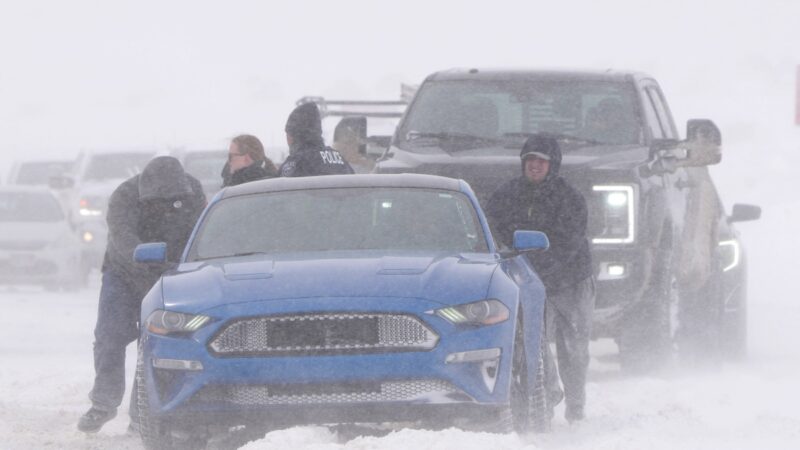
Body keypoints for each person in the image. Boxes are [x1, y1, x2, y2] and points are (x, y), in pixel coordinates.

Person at [77, 156, 206, 433]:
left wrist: (182, 266)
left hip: (168, 277)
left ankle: (141, 412)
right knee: (109, 337)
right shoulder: (124, 196)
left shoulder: (193, 191)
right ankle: (104, 402)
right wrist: (148, 260)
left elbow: (199, 233)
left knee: (151, 344)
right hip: (122, 274)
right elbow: (124, 241)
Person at [484, 135, 595, 423]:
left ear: (553, 165)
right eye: (530, 160)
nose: (535, 166)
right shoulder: (506, 195)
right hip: (529, 284)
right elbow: (492, 229)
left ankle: (577, 408)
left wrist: (544, 269)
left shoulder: (570, 198)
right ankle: (546, 396)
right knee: (534, 344)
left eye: (541, 161)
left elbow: (570, 242)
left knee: (575, 348)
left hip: (572, 282)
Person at [279, 102, 354, 177]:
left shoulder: (298, 163)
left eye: (288, 134)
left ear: (294, 136)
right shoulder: (340, 159)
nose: (288, 141)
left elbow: (278, 185)